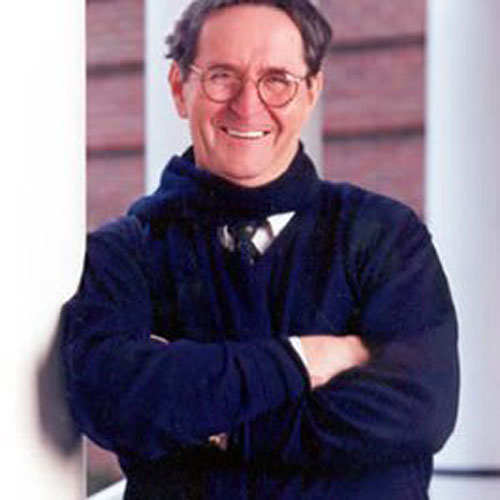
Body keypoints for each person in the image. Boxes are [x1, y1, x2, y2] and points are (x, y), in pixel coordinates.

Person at [61, 1, 459, 498]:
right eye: (221, 77)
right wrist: (304, 359)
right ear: (179, 88)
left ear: (311, 92)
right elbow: (115, 402)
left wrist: (217, 419)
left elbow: (420, 410)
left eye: (277, 80)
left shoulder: (386, 235)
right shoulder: (124, 253)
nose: (247, 105)